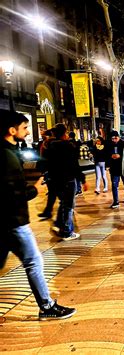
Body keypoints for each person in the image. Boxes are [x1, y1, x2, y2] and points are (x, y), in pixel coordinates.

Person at [0, 110, 76, 319]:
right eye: (24, 128)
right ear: (11, 130)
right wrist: (35, 190)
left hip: (8, 221)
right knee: (34, 261)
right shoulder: (6, 156)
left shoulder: (9, 151)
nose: (26, 132)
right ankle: (47, 306)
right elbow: (11, 192)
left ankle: (46, 305)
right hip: (13, 221)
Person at [46, 123, 88, 240]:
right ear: (65, 133)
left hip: (56, 180)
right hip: (68, 179)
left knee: (63, 203)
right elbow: (74, 165)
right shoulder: (68, 146)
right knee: (69, 205)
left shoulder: (50, 146)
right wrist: (83, 180)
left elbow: (48, 164)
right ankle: (67, 231)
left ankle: (58, 224)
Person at [37, 129, 57, 219]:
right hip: (49, 171)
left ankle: (66, 211)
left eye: (44, 135)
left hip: (54, 171)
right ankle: (48, 211)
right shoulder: (44, 144)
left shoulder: (51, 144)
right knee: (52, 192)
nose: (42, 136)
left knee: (55, 192)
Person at [108, 131, 124, 209]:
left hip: (123, 167)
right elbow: (107, 154)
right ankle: (116, 201)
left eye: (115, 138)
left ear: (119, 137)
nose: (114, 140)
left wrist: (120, 156)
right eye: (112, 138)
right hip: (114, 168)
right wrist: (111, 156)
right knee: (114, 185)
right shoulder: (109, 144)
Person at [68, 132, 83, 196]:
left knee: (73, 177)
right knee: (77, 175)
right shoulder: (77, 142)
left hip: (70, 160)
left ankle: (76, 190)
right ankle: (79, 189)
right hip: (76, 159)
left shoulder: (68, 143)